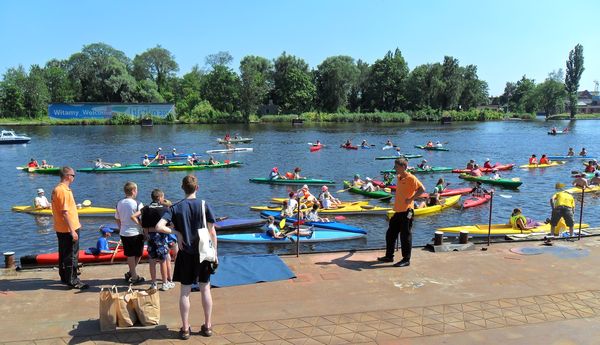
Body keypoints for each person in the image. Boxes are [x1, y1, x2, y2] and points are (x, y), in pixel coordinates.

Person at [155, 175, 217, 339]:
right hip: (204, 253)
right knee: (205, 289)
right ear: (197, 188)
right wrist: (215, 254)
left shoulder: (175, 208)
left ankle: (185, 328)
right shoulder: (205, 205)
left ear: (182, 188)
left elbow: (158, 226)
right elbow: (212, 232)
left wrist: (176, 232)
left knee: (185, 292)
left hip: (186, 254)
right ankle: (208, 326)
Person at [378, 158, 425, 267]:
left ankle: (406, 259)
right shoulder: (399, 177)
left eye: (397, 167)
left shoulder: (411, 178)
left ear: (403, 167)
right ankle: (389, 256)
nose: (395, 169)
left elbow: (422, 189)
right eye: (395, 167)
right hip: (398, 211)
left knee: (405, 235)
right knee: (390, 234)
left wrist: (411, 199)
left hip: (407, 211)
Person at [51, 166, 88, 290]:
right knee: (72, 254)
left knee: (63, 253)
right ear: (67, 176)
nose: (74, 178)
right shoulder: (63, 191)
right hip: (68, 228)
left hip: (61, 227)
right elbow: (64, 212)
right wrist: (72, 231)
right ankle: (73, 280)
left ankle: (65, 276)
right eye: (73, 175)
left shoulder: (59, 189)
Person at [133, 189, 174, 292]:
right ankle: (165, 283)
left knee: (151, 260)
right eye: (163, 197)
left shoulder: (145, 208)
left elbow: (137, 219)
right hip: (161, 237)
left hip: (149, 237)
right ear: (160, 197)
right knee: (163, 260)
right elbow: (170, 223)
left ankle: (153, 283)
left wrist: (144, 230)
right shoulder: (165, 209)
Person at [115, 182, 145, 284]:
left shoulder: (119, 203)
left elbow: (117, 218)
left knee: (130, 255)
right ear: (133, 191)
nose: (137, 192)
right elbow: (142, 219)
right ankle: (134, 276)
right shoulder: (138, 203)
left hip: (124, 233)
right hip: (136, 232)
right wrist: (145, 231)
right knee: (138, 254)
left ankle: (131, 273)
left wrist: (120, 229)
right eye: (136, 190)